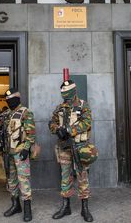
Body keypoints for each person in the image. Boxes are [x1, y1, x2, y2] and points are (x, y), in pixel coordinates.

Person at [49, 80, 94, 222]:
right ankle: (66, 206)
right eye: (64, 95)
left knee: (82, 177)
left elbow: (87, 122)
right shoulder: (60, 107)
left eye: (67, 95)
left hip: (80, 147)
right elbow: (52, 122)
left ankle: (84, 208)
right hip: (64, 147)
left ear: (73, 92)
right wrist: (57, 129)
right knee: (65, 177)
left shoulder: (83, 105)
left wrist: (69, 130)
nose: (66, 98)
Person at [0, 89, 36, 222]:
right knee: (11, 180)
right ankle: (15, 205)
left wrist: (26, 149)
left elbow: (31, 133)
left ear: (18, 98)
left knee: (23, 180)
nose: (9, 101)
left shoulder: (25, 112)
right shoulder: (5, 114)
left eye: (12, 99)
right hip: (8, 152)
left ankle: (27, 208)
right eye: (7, 99)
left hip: (20, 152)